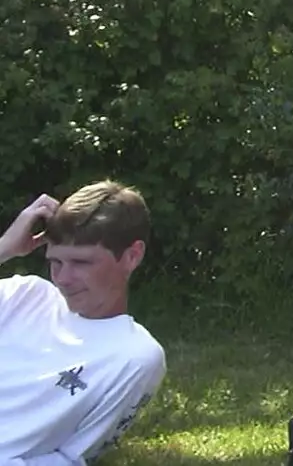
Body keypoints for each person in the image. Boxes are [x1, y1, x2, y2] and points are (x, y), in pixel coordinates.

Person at [1, 182, 166, 465]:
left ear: (132, 256)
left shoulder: (134, 356)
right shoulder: (24, 295)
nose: (63, 278)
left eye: (81, 263)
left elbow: (74, 457)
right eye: (56, 262)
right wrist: (4, 248)